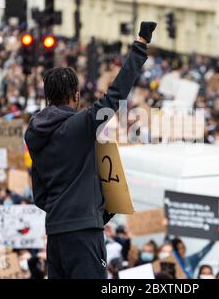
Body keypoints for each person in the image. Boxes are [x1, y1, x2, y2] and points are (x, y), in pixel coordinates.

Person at [24, 21, 157, 279]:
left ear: (48, 98)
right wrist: (141, 44)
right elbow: (116, 95)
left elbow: (39, 196)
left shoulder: (34, 135)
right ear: (75, 95)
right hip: (84, 233)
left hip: (55, 236)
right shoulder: (80, 125)